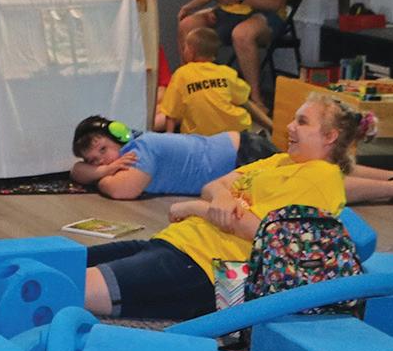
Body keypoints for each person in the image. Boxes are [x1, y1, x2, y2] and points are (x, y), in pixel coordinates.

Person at [81, 94, 366, 322]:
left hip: (207, 267)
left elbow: (260, 231)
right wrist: (220, 200)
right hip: (178, 244)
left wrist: (198, 208)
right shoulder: (282, 161)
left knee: (71, 287)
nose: (290, 127)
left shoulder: (320, 177)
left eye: (302, 122)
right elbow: (213, 185)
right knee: (67, 261)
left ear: (330, 136)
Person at [67, 114, 257, 200]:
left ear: (119, 135)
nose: (101, 160)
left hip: (245, 155)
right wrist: (107, 170)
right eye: (93, 161)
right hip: (237, 154)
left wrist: (99, 176)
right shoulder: (129, 150)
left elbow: (121, 190)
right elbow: (76, 170)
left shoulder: (142, 148)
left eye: (103, 149)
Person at [154, 25, 272, 134]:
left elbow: (170, 114)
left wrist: (169, 137)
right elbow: (245, 102)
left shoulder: (181, 74)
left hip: (201, 136)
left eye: (184, 47)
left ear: (191, 51)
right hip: (237, 130)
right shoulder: (226, 72)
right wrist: (270, 126)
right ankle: (265, 131)